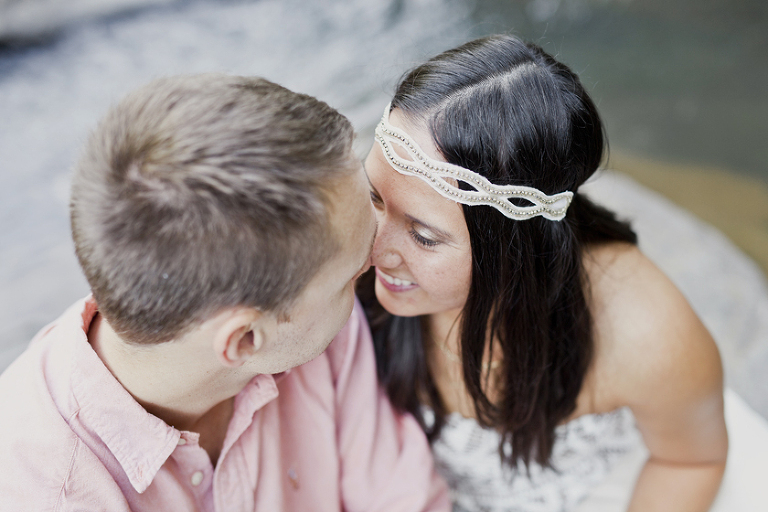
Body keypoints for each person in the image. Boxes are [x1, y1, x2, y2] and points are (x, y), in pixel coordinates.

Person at [0, 74, 449, 512]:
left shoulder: (310, 318)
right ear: (245, 339)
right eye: (351, 277)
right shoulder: (49, 494)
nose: (376, 259)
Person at [358, 34, 728, 512]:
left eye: (424, 236)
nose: (374, 249)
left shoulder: (646, 333)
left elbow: (691, 460)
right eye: (373, 196)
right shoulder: (338, 253)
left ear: (515, 245)